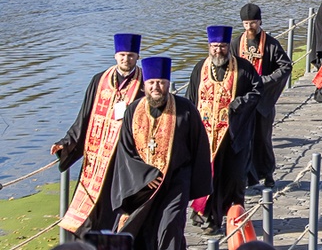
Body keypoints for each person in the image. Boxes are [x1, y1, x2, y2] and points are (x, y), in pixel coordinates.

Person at [111, 56, 212, 250]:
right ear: (144, 86)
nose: (156, 87)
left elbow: (199, 146)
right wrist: (145, 176)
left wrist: (196, 185)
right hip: (143, 185)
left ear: (168, 84)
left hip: (176, 180)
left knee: (170, 226)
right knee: (144, 229)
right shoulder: (133, 110)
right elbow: (125, 150)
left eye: (161, 83)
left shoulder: (186, 109)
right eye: (151, 83)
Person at [53, 34, 145, 237]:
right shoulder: (99, 80)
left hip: (123, 156)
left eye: (130, 55)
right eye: (122, 55)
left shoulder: (145, 82)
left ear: (137, 56)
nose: (126, 59)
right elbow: (83, 118)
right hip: (96, 155)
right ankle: (85, 239)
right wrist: (66, 143)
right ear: (115, 55)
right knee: (88, 209)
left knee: (115, 206)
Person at [187, 26, 261, 234]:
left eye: (222, 46)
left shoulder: (244, 68)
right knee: (209, 177)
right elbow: (191, 99)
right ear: (209, 46)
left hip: (234, 136)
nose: (218, 50)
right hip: (205, 136)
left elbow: (258, 91)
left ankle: (235, 218)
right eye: (215, 46)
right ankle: (209, 218)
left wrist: (239, 103)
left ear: (229, 46)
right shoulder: (199, 68)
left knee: (235, 178)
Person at [229, 3, 291, 189]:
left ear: (260, 22)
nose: (249, 28)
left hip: (262, 102)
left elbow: (285, 67)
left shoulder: (271, 44)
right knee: (243, 140)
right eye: (246, 24)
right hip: (243, 101)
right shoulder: (235, 44)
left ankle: (267, 173)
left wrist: (265, 81)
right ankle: (249, 178)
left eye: (253, 23)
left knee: (262, 139)